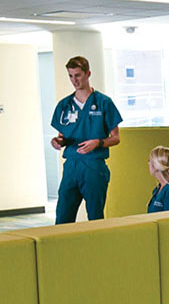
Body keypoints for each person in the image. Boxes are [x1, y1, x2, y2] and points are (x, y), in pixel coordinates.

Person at [50, 56, 123, 224]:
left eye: (78, 75)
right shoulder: (64, 105)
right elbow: (62, 136)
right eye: (70, 76)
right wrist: (57, 142)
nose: (74, 80)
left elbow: (116, 138)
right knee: (62, 217)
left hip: (93, 166)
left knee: (95, 217)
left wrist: (98, 143)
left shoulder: (104, 103)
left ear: (88, 74)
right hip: (71, 166)